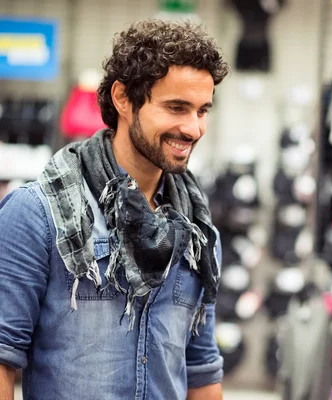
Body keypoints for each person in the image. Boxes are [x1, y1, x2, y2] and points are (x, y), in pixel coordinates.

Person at [0, 19, 229, 400]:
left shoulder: (199, 235)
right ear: (123, 98)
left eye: (202, 110)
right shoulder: (40, 215)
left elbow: (201, 370)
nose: (193, 128)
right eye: (176, 107)